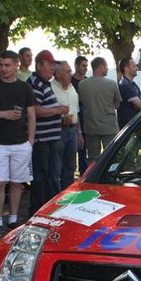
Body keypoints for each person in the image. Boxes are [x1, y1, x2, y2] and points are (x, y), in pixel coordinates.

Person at [0, 50, 37, 237]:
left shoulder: (24, 87)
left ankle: (12, 218)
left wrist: (30, 141)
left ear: (16, 65)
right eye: (1, 65)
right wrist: (2, 114)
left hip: (21, 143)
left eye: (7, 65)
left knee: (18, 183)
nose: (3, 69)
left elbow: (32, 114)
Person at [28, 49, 68, 215]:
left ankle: (49, 207)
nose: (52, 69)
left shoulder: (44, 83)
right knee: (42, 176)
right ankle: (39, 209)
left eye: (53, 66)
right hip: (41, 139)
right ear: (39, 65)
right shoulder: (35, 84)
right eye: (49, 65)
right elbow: (35, 110)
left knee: (51, 175)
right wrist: (57, 110)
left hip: (50, 137)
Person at [78, 56, 121, 165]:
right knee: (110, 156)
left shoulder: (82, 84)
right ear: (101, 67)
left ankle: (92, 178)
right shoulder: (111, 84)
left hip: (91, 126)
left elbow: (81, 102)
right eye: (106, 67)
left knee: (92, 158)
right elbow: (117, 104)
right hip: (109, 127)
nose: (107, 69)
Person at [52, 60, 82, 189]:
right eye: (68, 71)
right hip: (58, 131)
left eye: (70, 71)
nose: (71, 74)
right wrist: (60, 119)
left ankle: (68, 194)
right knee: (56, 166)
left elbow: (76, 111)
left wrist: (79, 132)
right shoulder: (51, 88)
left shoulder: (72, 87)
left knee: (70, 166)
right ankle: (56, 196)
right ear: (58, 74)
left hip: (73, 130)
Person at [71, 55, 90, 175]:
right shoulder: (71, 81)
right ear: (76, 66)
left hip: (87, 114)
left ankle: (84, 170)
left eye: (86, 66)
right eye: (83, 65)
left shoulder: (87, 80)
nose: (85, 68)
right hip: (75, 114)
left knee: (85, 144)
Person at [116, 57, 141, 129]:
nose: (137, 68)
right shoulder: (125, 85)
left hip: (134, 124)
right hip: (128, 127)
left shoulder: (133, 84)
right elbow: (140, 105)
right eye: (134, 66)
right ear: (126, 69)